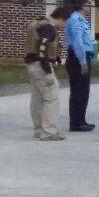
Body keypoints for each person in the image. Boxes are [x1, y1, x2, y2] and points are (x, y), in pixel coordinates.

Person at [24, 8, 67, 141]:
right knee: (51, 98)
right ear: (61, 19)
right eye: (65, 23)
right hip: (41, 66)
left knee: (37, 98)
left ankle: (38, 129)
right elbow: (42, 50)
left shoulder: (39, 23)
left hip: (32, 64)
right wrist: (48, 71)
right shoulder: (48, 28)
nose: (64, 26)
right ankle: (48, 131)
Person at [63, 0, 95, 132]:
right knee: (79, 90)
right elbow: (77, 42)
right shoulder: (76, 20)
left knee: (83, 90)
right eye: (87, 4)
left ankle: (81, 120)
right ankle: (76, 123)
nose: (89, 7)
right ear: (81, 6)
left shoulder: (80, 19)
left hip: (80, 55)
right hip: (78, 57)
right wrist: (82, 61)